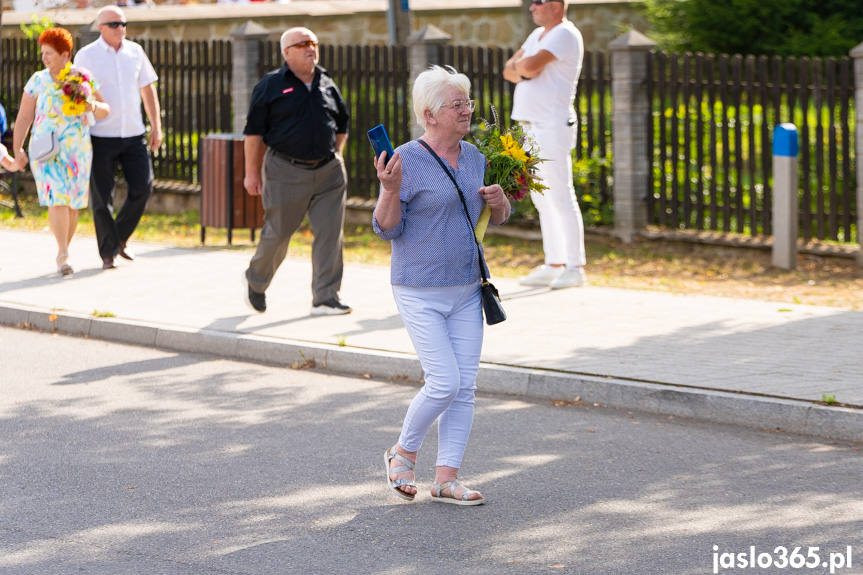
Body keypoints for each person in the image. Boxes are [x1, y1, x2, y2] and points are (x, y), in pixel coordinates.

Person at [373, 66, 510, 505]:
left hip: (467, 287)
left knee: (464, 386)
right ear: (430, 114)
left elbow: (495, 219)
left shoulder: (474, 157)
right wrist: (389, 190)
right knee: (444, 382)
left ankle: (447, 479)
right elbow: (385, 227)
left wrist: (501, 202)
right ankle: (402, 452)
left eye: (468, 102)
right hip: (419, 288)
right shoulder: (405, 160)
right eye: (457, 104)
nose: (467, 110)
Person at [242, 27, 351, 316]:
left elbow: (342, 124)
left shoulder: (327, 82)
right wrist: (251, 173)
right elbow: (253, 134)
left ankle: (326, 297)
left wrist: (337, 155)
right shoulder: (271, 85)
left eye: (313, 42)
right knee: (278, 233)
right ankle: (256, 280)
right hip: (285, 171)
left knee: (330, 233)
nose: (310, 48)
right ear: (286, 52)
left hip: (329, 172)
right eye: (302, 44)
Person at [11, 27, 111, 276]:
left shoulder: (82, 78)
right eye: (43, 52)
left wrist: (91, 105)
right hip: (46, 151)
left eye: (50, 53)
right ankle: (62, 254)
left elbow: (105, 109)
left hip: (77, 150)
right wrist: (18, 148)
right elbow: (24, 116)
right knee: (56, 198)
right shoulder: (37, 80)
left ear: (65, 54)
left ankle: (64, 250)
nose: (44, 57)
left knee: (73, 204)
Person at [504, 0, 587, 289]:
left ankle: (575, 267)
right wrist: (523, 67)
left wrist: (523, 67)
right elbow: (509, 70)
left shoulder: (564, 33)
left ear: (555, 4)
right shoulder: (537, 35)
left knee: (561, 195)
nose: (531, 7)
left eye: (537, 2)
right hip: (529, 126)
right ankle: (554, 263)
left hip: (551, 126)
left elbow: (529, 65)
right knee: (541, 198)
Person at [74, 6, 163, 270]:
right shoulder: (86, 56)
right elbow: (77, 95)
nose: (120, 29)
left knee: (143, 187)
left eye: (123, 24)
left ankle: (119, 238)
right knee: (103, 198)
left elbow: (148, 90)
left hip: (134, 133)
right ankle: (107, 254)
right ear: (100, 28)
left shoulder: (135, 52)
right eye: (114, 24)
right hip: (100, 136)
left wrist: (156, 126)